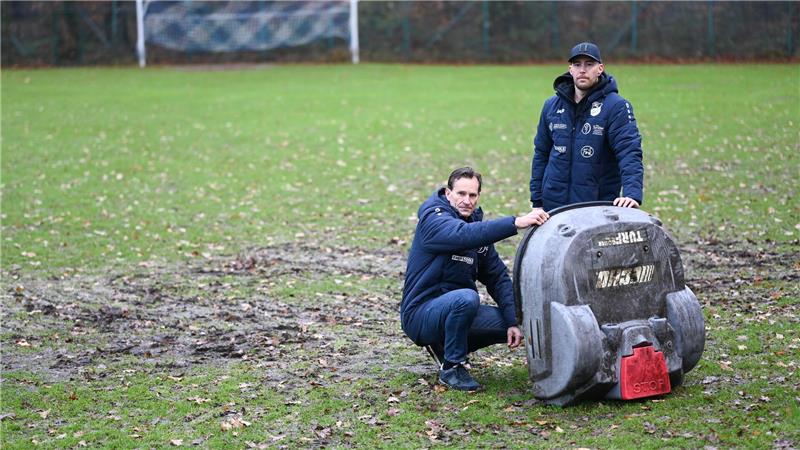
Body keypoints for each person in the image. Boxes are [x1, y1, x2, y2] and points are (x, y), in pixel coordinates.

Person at [401, 167, 549, 391]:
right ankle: (452, 367)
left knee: (523, 322)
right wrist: (514, 223)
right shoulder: (434, 220)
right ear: (448, 192)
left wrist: (513, 320)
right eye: (461, 194)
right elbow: (461, 234)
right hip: (421, 315)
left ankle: (445, 345)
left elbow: (498, 278)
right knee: (466, 298)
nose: (467, 200)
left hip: (457, 311)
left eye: (472, 195)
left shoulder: (476, 229)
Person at [530, 42, 644, 213]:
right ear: (570, 69)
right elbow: (541, 154)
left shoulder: (616, 107)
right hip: (553, 206)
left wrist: (632, 194)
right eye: (577, 64)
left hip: (596, 206)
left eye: (589, 64)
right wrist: (537, 202)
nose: (582, 70)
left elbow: (629, 152)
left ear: (600, 68)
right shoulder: (551, 106)